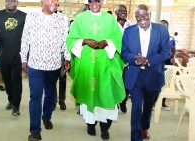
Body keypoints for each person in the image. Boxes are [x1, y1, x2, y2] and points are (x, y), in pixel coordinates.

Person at [66, 0, 126, 140]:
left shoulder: (110, 19)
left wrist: (107, 42)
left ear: (102, 2)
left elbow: (118, 39)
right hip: (87, 64)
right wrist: (85, 41)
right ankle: (90, 124)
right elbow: (71, 39)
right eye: (91, 1)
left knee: (106, 93)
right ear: (88, 2)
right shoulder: (80, 18)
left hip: (106, 64)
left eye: (98, 1)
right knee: (88, 93)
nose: (94, 3)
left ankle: (105, 128)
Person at [20, 0, 70, 140]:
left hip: (53, 65)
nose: (54, 2)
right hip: (35, 64)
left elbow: (65, 40)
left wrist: (67, 58)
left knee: (50, 94)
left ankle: (46, 117)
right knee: (35, 96)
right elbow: (25, 38)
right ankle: (35, 131)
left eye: (56, 0)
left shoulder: (62, 18)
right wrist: (24, 58)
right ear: (42, 1)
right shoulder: (32, 16)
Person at [121, 4, 171, 141]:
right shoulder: (129, 32)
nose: (141, 19)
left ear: (150, 15)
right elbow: (124, 53)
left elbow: (166, 52)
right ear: (135, 17)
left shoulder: (161, 30)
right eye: (138, 16)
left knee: (148, 106)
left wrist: (148, 60)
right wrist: (135, 59)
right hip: (135, 75)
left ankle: (144, 128)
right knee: (136, 107)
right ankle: (136, 138)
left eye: (144, 15)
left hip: (153, 75)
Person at [0, 0, 26, 116]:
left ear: (17, 2)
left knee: (16, 81)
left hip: (18, 55)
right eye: (7, 0)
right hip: (3, 55)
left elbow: (30, 34)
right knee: (7, 81)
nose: (10, 2)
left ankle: (16, 106)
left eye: (12, 0)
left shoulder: (24, 16)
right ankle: (11, 100)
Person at [115, 4, 134, 113]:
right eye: (120, 10)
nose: (123, 12)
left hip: (127, 58)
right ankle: (116, 101)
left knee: (127, 83)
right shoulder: (112, 24)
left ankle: (123, 101)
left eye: (125, 10)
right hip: (115, 57)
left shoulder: (131, 25)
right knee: (116, 80)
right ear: (115, 12)